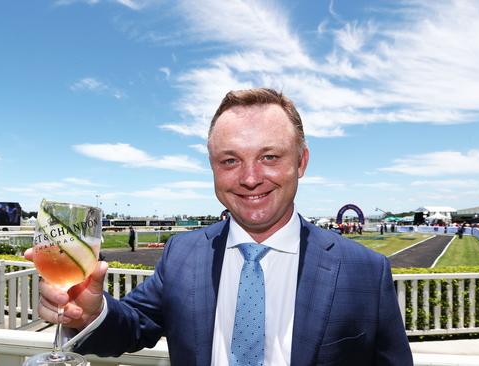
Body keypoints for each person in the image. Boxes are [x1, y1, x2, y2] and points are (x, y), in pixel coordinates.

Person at [27, 88, 412, 365]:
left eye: (270, 157)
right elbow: (131, 328)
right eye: (230, 161)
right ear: (212, 167)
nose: (249, 178)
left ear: (301, 162)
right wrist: (90, 313)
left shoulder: (364, 270)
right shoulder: (184, 255)